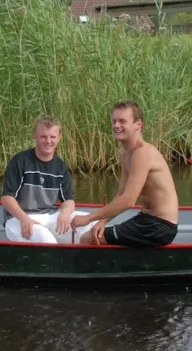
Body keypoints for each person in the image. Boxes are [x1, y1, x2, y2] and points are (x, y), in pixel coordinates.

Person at [74, 100, 181, 248]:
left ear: (138, 124)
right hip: (146, 220)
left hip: (160, 226)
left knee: (87, 239)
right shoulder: (126, 154)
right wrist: (102, 221)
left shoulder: (143, 153)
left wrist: (89, 218)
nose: (116, 125)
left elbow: (128, 201)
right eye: (114, 121)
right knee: (96, 233)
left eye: (122, 121)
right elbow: (121, 194)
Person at [0, 116, 77, 243]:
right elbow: (6, 198)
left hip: (50, 215)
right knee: (46, 240)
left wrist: (65, 214)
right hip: (18, 218)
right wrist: (24, 219)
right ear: (34, 136)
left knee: (86, 223)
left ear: (59, 138)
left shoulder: (60, 165)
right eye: (43, 137)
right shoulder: (20, 161)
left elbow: (68, 200)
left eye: (52, 137)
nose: (48, 141)